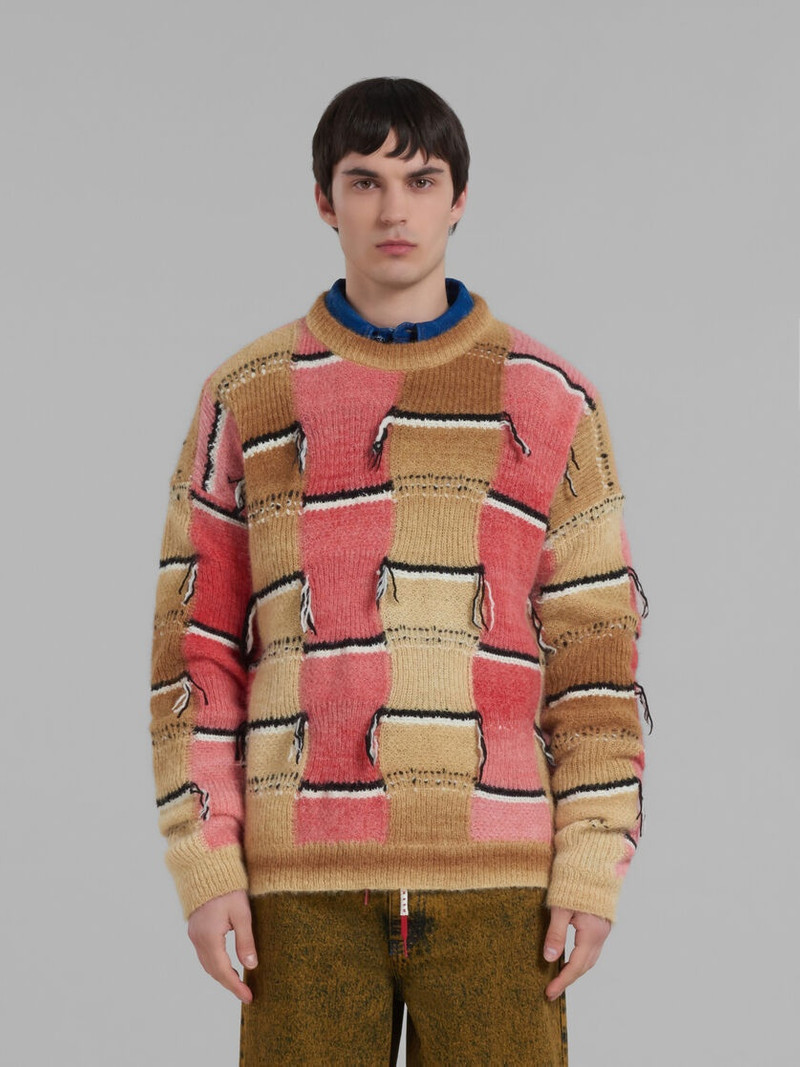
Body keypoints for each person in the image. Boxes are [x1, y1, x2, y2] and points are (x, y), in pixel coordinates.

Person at [150, 76, 649, 1066]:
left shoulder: (550, 400)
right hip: (300, 892)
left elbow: (596, 660)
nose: (393, 209)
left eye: (420, 180)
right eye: (364, 180)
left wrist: (593, 863)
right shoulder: (248, 397)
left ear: (458, 199)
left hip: (502, 889)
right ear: (322, 199)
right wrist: (207, 866)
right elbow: (195, 657)